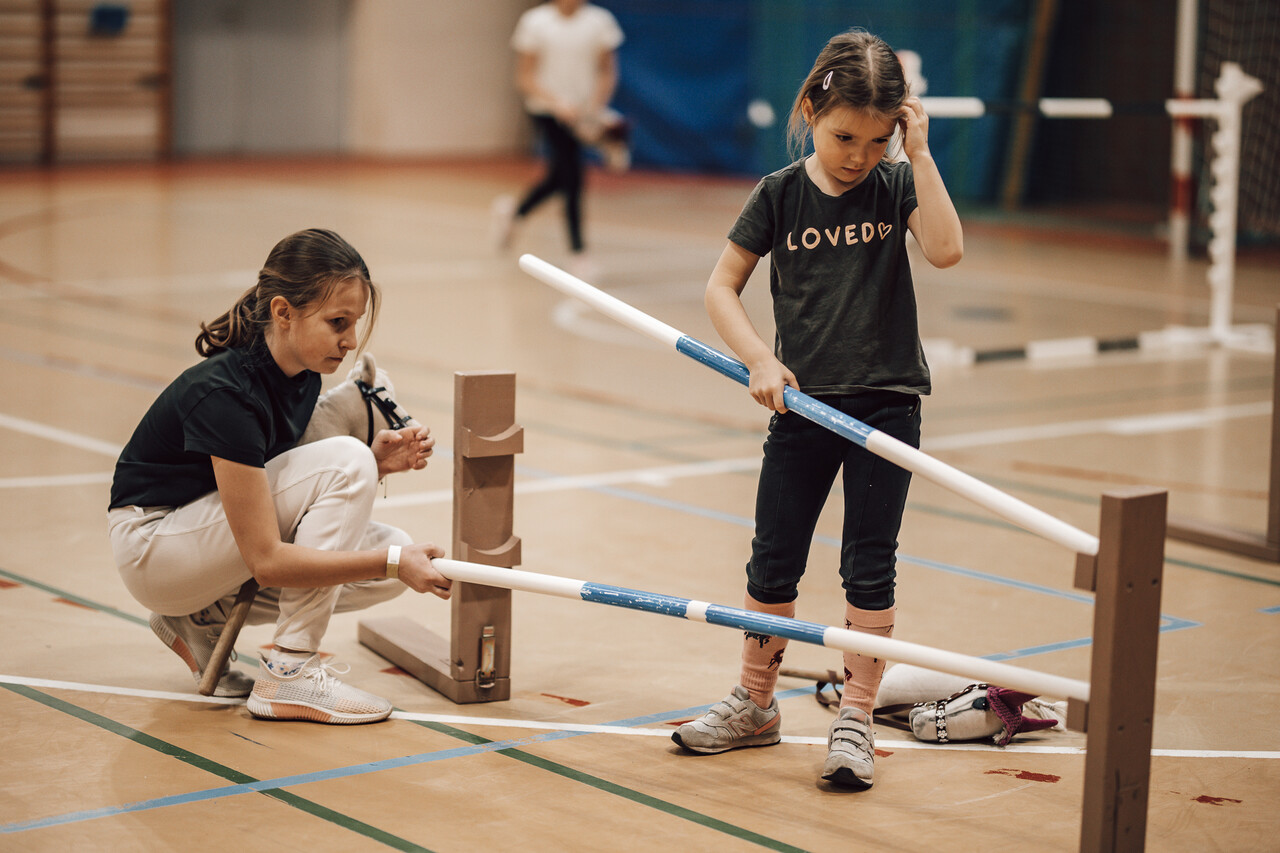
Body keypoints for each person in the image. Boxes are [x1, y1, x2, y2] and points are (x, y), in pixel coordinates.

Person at [671, 30, 963, 789]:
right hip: (802, 409)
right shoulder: (778, 194)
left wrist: (920, 157)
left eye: (876, 139)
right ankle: (756, 703)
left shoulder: (896, 184)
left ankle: (857, 717)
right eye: (842, 136)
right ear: (810, 110)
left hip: (886, 408)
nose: (857, 155)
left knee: (870, 565)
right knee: (774, 556)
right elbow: (719, 288)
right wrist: (762, 359)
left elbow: (945, 249)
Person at [107, 228, 453, 725]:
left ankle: (201, 620)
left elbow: (294, 499)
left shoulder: (303, 378)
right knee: (369, 514)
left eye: (354, 324)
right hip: (153, 547)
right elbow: (266, 560)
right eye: (337, 322)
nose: (351, 341)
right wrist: (394, 560)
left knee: (386, 541)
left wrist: (375, 469)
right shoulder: (227, 392)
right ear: (283, 312)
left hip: (199, 540)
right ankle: (290, 673)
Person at [493, 0, 624, 267]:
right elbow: (525, 77)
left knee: (559, 176)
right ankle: (579, 252)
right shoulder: (535, 22)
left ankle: (515, 212)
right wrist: (556, 103)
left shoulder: (600, 21)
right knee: (572, 175)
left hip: (583, 112)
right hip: (546, 112)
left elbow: (607, 71)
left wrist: (595, 107)